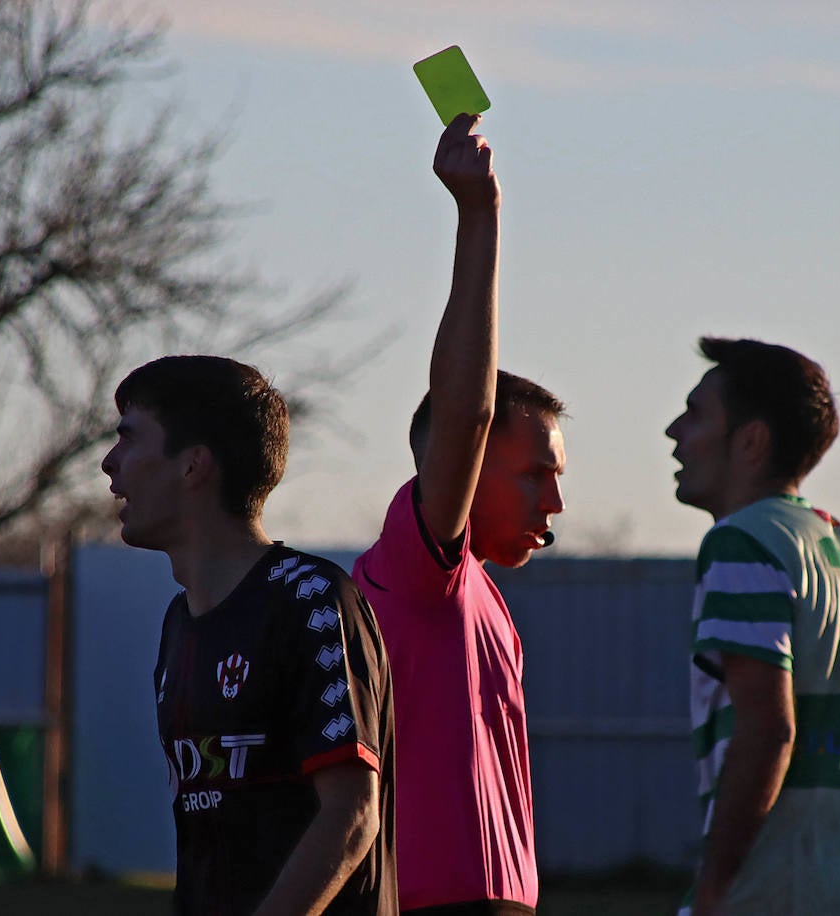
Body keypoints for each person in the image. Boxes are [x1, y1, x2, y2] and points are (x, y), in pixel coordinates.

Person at [351, 114, 566, 914]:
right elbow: (467, 414)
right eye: (535, 474)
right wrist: (479, 217)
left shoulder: (479, 594)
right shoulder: (418, 570)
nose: (556, 502)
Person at [101, 354, 396, 915]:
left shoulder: (310, 601)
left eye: (128, 439)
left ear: (193, 466)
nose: (109, 464)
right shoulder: (177, 624)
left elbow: (352, 815)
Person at [665, 337, 840, 915]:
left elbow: (767, 732)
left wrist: (713, 888)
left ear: (751, 440)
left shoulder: (742, 543)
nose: (673, 432)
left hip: (777, 892)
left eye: (695, 412)